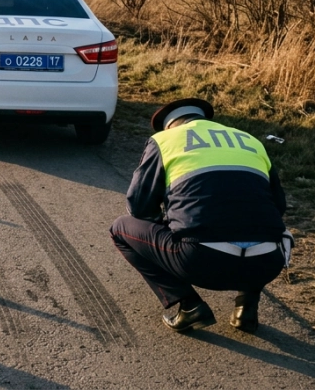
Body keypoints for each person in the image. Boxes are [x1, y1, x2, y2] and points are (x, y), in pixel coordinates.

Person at [110, 98, 289, 333]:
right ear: (205, 121)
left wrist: (170, 222)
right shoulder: (250, 140)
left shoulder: (164, 141)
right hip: (267, 263)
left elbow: (139, 208)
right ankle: (246, 308)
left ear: (170, 126)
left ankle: (189, 305)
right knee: (252, 217)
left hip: (201, 263)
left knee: (120, 229)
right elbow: (278, 206)